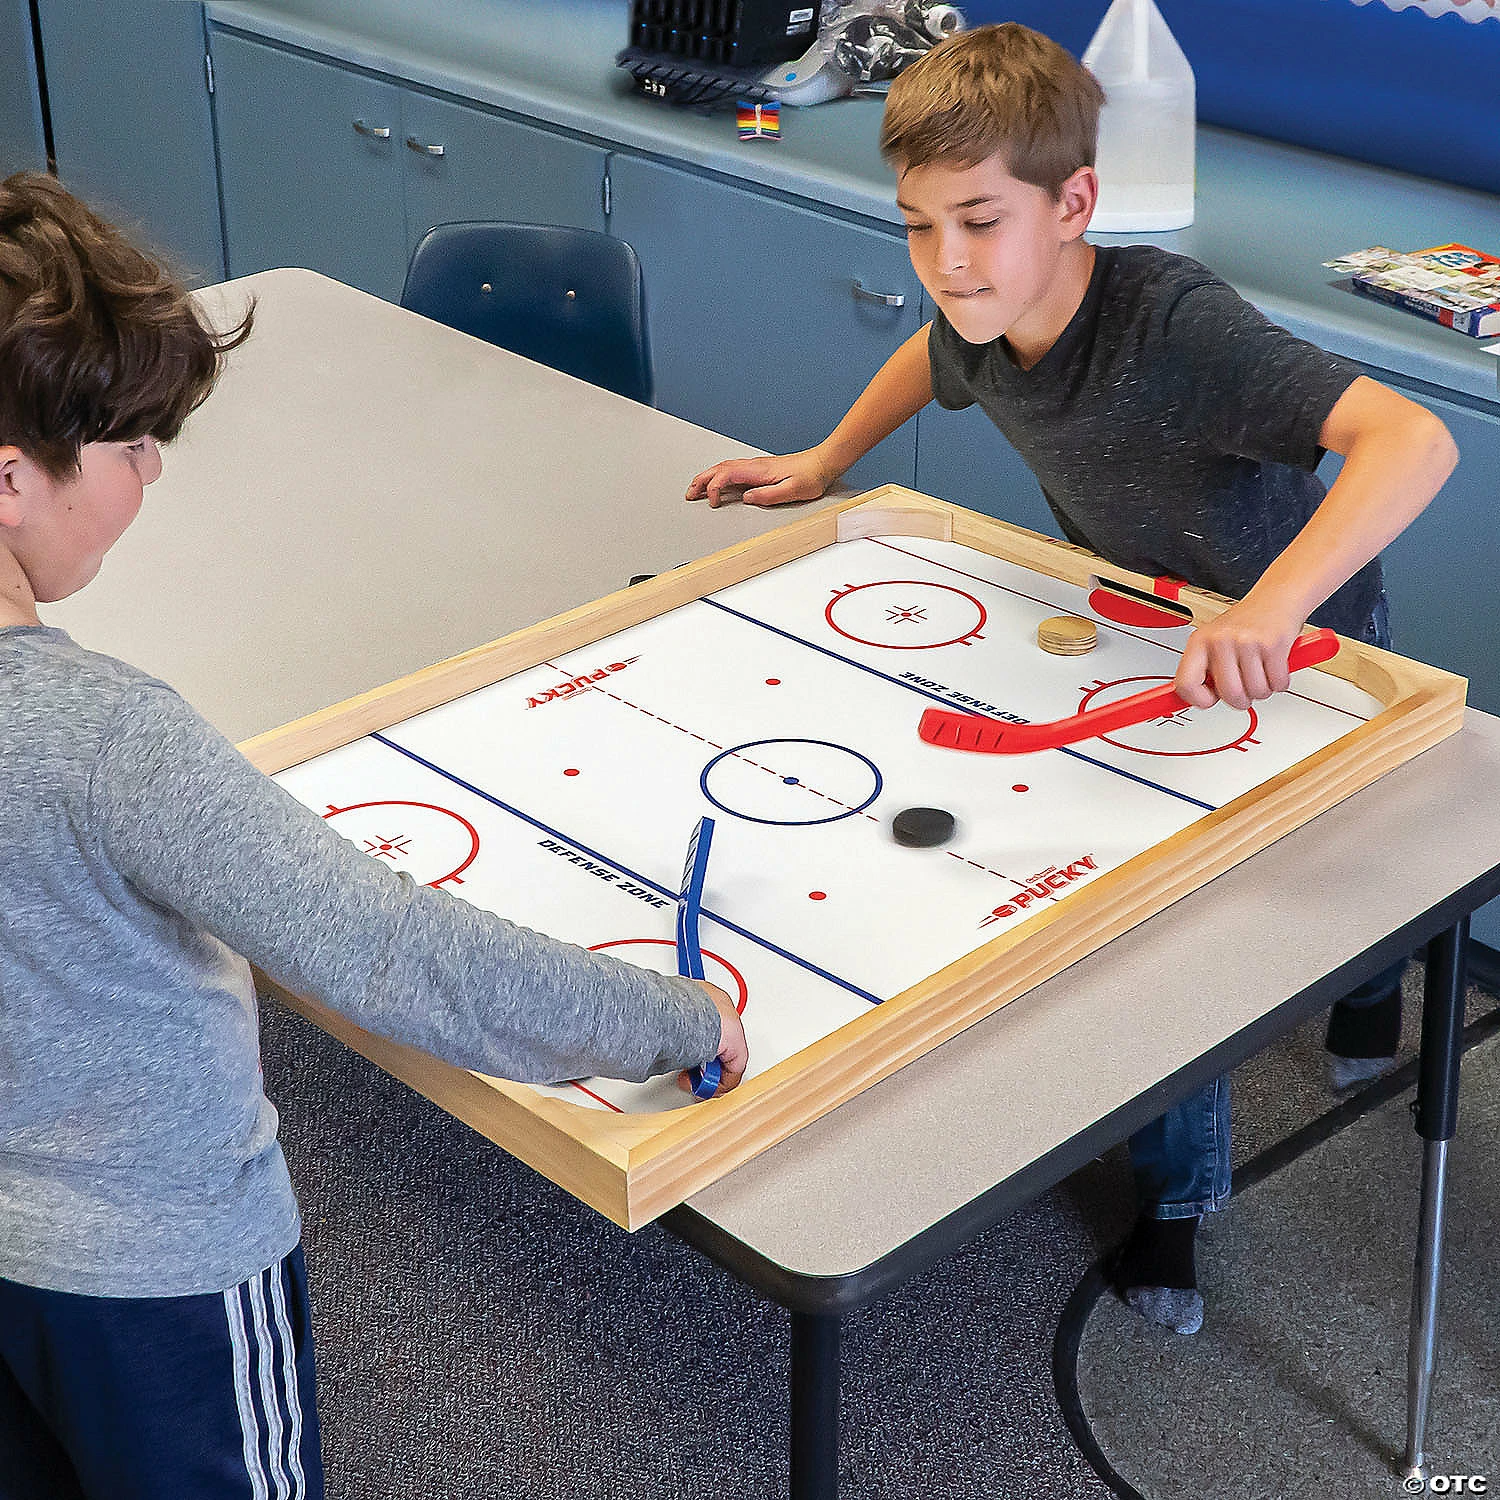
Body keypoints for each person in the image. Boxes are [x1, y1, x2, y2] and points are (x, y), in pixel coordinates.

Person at [684, 24, 1457, 1335]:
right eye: (919, 226)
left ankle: (1360, 1009)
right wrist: (824, 459)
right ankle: (1178, 1194)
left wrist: (1269, 610)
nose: (947, 261)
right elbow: (933, 361)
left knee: (1321, 892)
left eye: (980, 222)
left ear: (1075, 203)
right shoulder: (981, 308)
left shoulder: (1175, 323)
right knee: (1161, 923)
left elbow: (1415, 439)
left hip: (1310, 642)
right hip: (1143, 628)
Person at [0, 170, 748, 1498]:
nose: (153, 468)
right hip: (162, 1281)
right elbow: (397, 955)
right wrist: (669, 1016)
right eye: (127, 446)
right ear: (12, 476)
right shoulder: (108, 738)